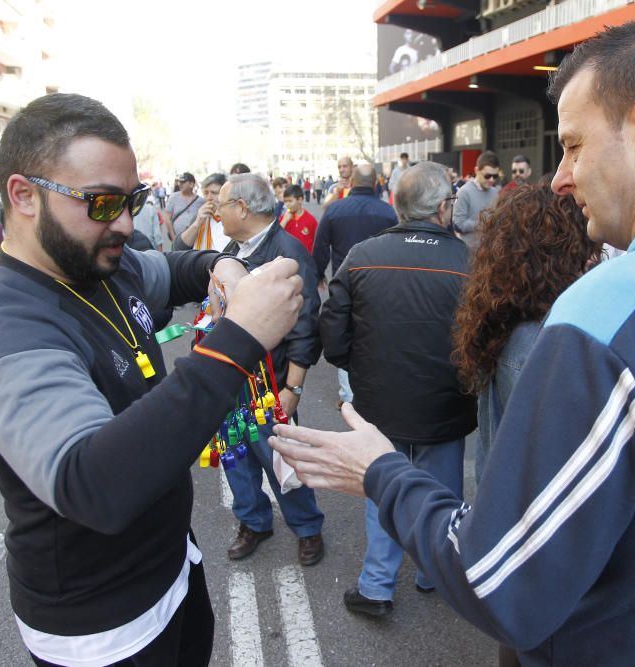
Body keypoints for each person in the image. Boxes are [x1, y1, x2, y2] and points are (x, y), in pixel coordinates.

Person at [270, 17, 635, 665]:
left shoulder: (620, 312)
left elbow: (496, 582)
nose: (559, 178)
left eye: (574, 145)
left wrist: (381, 472)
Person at [0, 93, 304, 666]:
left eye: (132, 199)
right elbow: (93, 483)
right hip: (101, 623)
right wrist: (239, 337)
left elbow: (176, 268)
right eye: (102, 203)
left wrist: (223, 266)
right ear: (23, 195)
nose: (125, 223)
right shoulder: (2, 326)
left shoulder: (96, 261)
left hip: (170, 567)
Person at [320, 161, 476, 617]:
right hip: (445, 402)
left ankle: (377, 586)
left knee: (381, 484)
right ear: (445, 208)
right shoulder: (467, 261)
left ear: (398, 204)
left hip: (379, 402)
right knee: (441, 490)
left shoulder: (363, 256)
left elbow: (334, 327)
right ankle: (436, 572)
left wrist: (354, 366)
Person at [203, 172, 325, 566]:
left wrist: (294, 389)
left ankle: (307, 527)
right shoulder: (232, 250)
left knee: (281, 455)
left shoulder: (286, 252)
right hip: (228, 376)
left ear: (241, 207)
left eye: (221, 205)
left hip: (269, 382)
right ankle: (253, 521)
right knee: (236, 455)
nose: (216, 213)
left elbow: (306, 323)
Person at [453, 185, 600, 485]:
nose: (596, 255)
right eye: (589, 246)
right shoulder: (541, 341)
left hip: (501, 497)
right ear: (564, 252)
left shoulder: (505, 318)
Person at [312, 163, 397, 407]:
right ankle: (378, 387)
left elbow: (321, 246)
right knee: (377, 332)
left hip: (344, 280)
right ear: (375, 184)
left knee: (346, 332)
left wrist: (318, 273)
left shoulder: (335, 210)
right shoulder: (387, 212)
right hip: (381, 282)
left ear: (352, 183)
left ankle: (348, 396)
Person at [453, 150, 500, 249]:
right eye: (487, 176)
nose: (491, 180)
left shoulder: (495, 192)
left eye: (495, 176)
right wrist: (483, 222)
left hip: (490, 252)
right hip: (469, 253)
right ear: (476, 171)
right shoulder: (463, 192)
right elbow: (458, 225)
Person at [175, 173, 230, 252]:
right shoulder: (202, 216)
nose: (209, 198)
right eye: (206, 193)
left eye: (214, 193)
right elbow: (179, 247)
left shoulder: (233, 217)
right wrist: (197, 223)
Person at [162, 172, 202, 242]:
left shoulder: (200, 201)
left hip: (196, 239)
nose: (179, 184)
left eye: (183, 182)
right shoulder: (173, 197)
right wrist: (173, 237)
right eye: (179, 182)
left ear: (191, 184)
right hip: (178, 238)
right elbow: (167, 218)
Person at [279, 184, 318, 253]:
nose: (287, 204)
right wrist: (284, 221)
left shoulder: (311, 220)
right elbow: (275, 237)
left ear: (300, 200)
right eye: (285, 201)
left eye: (290, 201)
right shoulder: (283, 218)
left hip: (305, 260)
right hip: (287, 259)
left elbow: (317, 242)